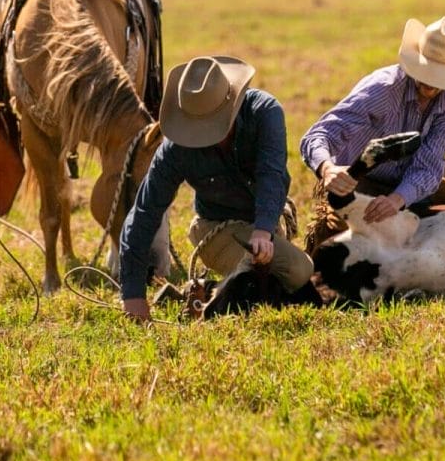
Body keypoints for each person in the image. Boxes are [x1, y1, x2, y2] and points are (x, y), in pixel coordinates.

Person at [119, 56, 316, 323]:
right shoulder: (176, 149)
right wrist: (132, 295)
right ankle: (211, 293)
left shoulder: (265, 112)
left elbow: (272, 173)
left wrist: (263, 229)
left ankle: (208, 290)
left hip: (262, 226)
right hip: (215, 229)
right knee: (294, 271)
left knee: (299, 272)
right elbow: (145, 211)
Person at [301, 17, 445, 238]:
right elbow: (319, 134)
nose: (430, 81)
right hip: (360, 179)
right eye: (426, 71)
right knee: (344, 235)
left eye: (439, 75)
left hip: (413, 178)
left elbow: (428, 165)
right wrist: (328, 169)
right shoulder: (383, 88)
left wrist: (397, 199)